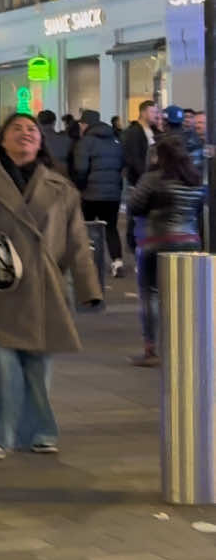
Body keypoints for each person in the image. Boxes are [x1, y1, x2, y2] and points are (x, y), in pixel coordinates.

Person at [0, 112, 102, 459]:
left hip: (43, 287)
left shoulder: (60, 187)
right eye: (17, 129)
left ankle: (40, 431)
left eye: (32, 130)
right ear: (3, 139)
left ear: (40, 141)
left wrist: (90, 289)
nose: (25, 134)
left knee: (38, 367)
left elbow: (76, 240)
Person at [126, 131, 205, 366]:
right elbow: (198, 210)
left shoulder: (152, 178)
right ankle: (187, 345)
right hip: (190, 240)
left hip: (156, 241)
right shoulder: (194, 179)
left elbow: (135, 206)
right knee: (185, 295)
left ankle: (151, 350)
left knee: (150, 293)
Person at [70, 109, 125, 274]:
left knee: (87, 228)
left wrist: (79, 187)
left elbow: (81, 169)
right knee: (111, 228)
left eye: (81, 123)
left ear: (85, 124)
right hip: (112, 194)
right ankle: (117, 261)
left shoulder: (85, 142)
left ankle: (88, 264)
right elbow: (121, 165)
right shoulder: (115, 140)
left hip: (90, 194)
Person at [121, 99, 159, 265]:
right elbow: (133, 158)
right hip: (137, 181)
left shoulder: (154, 131)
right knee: (135, 216)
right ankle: (134, 247)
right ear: (143, 112)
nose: (156, 115)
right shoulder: (133, 132)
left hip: (152, 182)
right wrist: (144, 177)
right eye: (153, 112)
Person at [37, 110, 71, 175]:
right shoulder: (66, 140)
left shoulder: (34, 141)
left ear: (38, 122)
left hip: (40, 178)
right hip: (62, 177)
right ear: (54, 122)